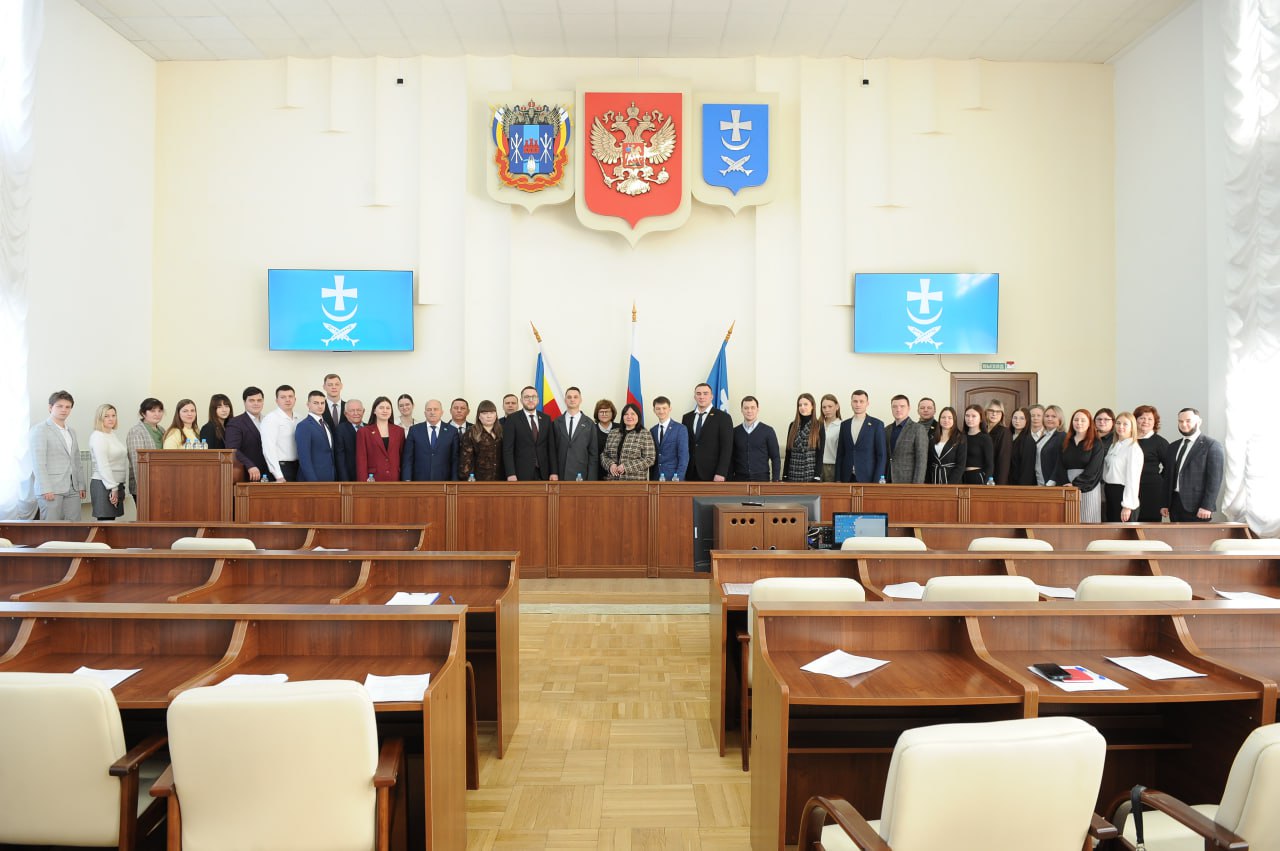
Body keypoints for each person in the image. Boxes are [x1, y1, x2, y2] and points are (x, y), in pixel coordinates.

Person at [30, 390, 85, 521]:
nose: (64, 410)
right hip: (51, 488)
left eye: (67, 407)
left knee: (75, 527)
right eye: (59, 406)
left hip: (73, 488)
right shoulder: (40, 429)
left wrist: (81, 485)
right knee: (51, 528)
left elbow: (76, 460)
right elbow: (38, 463)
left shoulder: (71, 431)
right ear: (50, 407)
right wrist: (46, 488)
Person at [1162, 407, 1224, 522]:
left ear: (1199, 422)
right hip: (1174, 505)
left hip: (1198, 507)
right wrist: (1165, 503)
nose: (1183, 424)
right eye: (1180, 421)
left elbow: (1215, 480)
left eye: (1188, 421)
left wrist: (1207, 506)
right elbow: (1168, 476)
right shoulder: (1173, 446)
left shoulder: (1211, 445)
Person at [1053, 408, 1106, 523]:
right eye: (1076, 420)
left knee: (1087, 520)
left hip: (1088, 486)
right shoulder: (1065, 442)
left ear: (1090, 423)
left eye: (1083, 420)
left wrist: (1076, 485)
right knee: (1068, 519)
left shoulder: (1096, 443)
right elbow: (1059, 466)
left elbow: (1094, 469)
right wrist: (1066, 484)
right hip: (1067, 486)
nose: (1079, 423)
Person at [682, 383, 733, 482]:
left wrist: (721, 472)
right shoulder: (687, 418)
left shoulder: (723, 417)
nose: (702, 397)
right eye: (698, 394)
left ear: (711, 396)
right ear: (695, 397)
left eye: (705, 393)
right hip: (690, 473)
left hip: (713, 474)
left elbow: (727, 448)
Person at [834, 389, 886, 483]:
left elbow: (881, 456)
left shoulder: (877, 424)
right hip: (847, 477)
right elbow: (840, 454)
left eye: (861, 401)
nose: (858, 404)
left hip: (869, 478)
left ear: (867, 403)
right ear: (851, 403)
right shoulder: (845, 425)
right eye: (855, 401)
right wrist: (838, 478)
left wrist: (877, 480)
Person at [402, 399, 459, 482]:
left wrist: (455, 481)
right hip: (419, 481)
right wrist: (407, 479)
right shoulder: (414, 430)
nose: (432, 412)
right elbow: (408, 458)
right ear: (425, 413)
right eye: (429, 410)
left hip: (444, 481)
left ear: (442, 412)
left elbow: (455, 459)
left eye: (435, 409)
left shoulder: (452, 431)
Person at [88, 403, 127, 521]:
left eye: (113, 415)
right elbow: (103, 465)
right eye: (106, 416)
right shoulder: (98, 436)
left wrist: (118, 486)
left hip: (115, 484)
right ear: (100, 418)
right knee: (105, 523)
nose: (111, 419)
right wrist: (113, 488)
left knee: (111, 522)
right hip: (104, 484)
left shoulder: (111, 434)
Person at [504, 385, 552, 481]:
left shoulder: (546, 419)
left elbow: (551, 448)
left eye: (534, 397)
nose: (530, 400)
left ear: (538, 400)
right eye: (527, 397)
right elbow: (507, 450)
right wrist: (511, 473)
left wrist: (554, 472)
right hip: (520, 473)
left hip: (544, 473)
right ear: (521, 400)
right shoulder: (512, 419)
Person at [1102, 411, 1143, 522]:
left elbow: (1133, 479)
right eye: (1118, 423)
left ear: (1132, 427)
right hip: (1111, 491)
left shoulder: (1133, 448)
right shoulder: (1114, 446)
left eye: (1125, 424)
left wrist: (1127, 505)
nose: (1121, 426)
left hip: (1123, 494)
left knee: (1124, 531)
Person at [224, 387, 270, 482]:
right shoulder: (235, 423)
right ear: (244, 402)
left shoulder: (269, 421)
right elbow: (233, 449)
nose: (256, 403)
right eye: (252, 400)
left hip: (270, 474)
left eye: (259, 400)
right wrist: (250, 465)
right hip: (249, 474)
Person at [551, 387, 597, 481]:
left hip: (581, 475)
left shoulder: (589, 423)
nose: (572, 399)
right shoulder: (556, 422)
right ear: (565, 400)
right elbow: (552, 451)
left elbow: (593, 454)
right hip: (560, 474)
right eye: (569, 397)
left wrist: (591, 479)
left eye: (575, 397)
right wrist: (553, 472)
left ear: (580, 400)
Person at [731, 396, 780, 482]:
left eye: (752, 408)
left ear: (758, 409)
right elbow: (731, 458)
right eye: (746, 408)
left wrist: (775, 479)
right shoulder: (735, 432)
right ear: (741, 410)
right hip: (739, 479)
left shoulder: (768, 431)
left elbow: (775, 457)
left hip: (762, 478)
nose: (749, 411)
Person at [1133, 404, 1169, 521]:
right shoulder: (1129, 440)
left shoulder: (1160, 442)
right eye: (1142, 418)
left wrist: (1157, 479)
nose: (1145, 421)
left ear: (1155, 422)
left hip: (1152, 489)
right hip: (1130, 488)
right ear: (1135, 420)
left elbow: (1169, 467)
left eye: (1150, 419)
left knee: (1149, 523)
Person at [602, 403, 656, 481]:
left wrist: (626, 467)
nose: (629, 416)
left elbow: (649, 459)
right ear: (622, 417)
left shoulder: (645, 434)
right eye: (626, 414)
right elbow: (604, 455)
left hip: (635, 482)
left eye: (633, 414)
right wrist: (610, 465)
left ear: (638, 416)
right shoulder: (613, 433)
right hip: (612, 480)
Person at [356, 396, 404, 482]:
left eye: (388, 408)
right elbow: (361, 460)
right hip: (372, 480)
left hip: (395, 479)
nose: (385, 411)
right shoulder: (364, 432)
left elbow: (402, 456)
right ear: (374, 411)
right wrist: (363, 483)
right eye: (381, 408)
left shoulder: (399, 431)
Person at [126, 397, 165, 498]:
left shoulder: (162, 430)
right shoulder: (136, 431)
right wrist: (144, 488)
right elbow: (137, 462)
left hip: (160, 482)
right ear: (143, 413)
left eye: (160, 411)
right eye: (152, 411)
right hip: (144, 485)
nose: (157, 414)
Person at [260, 385, 301, 482]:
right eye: (283, 397)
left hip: (298, 467)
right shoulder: (271, 419)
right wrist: (278, 475)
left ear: (295, 399)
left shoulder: (300, 418)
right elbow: (269, 448)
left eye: (290, 396)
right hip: (281, 468)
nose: (287, 400)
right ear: (277, 400)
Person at [884, 394, 927, 484]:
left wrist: (917, 486)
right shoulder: (887, 429)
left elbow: (921, 461)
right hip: (887, 480)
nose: (898, 409)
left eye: (902, 406)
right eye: (894, 406)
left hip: (908, 482)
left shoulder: (918, 429)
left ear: (909, 408)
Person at [295, 390, 337, 482]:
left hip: (330, 477)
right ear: (308, 404)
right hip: (313, 479)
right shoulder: (304, 426)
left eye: (322, 403)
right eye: (316, 403)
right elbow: (304, 458)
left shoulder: (325, 424)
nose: (320, 406)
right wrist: (313, 482)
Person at [783, 393, 824, 483]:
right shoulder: (792, 425)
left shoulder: (819, 426)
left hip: (810, 473)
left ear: (812, 406)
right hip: (793, 473)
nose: (802, 407)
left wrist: (817, 476)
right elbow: (788, 452)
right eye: (800, 405)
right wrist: (785, 474)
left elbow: (820, 454)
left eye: (805, 404)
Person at [460, 400, 503, 481]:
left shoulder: (502, 431)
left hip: (501, 479)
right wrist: (469, 477)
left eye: (492, 412)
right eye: (485, 413)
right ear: (479, 416)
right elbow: (466, 460)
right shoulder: (471, 433)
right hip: (478, 480)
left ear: (496, 415)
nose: (489, 416)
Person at [649, 396, 689, 481]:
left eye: (664, 408)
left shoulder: (680, 429)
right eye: (658, 408)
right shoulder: (653, 430)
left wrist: (678, 477)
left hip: (674, 477)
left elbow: (684, 456)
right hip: (656, 477)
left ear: (670, 409)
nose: (661, 411)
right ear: (654, 410)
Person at [926, 406, 966, 484]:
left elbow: (960, 465)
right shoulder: (931, 437)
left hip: (952, 480)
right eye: (943, 417)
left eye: (950, 418)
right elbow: (929, 462)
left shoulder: (960, 437)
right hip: (934, 479)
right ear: (939, 419)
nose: (946, 420)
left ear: (954, 420)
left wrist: (950, 484)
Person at [961, 404, 994, 485]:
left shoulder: (985, 438)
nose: (970, 419)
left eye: (974, 416)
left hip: (977, 477)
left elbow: (990, 464)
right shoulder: (961, 437)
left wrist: (986, 484)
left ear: (981, 419)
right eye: (967, 416)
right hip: (961, 477)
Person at [333, 398, 364, 482]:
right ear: (345, 414)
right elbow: (340, 458)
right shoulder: (340, 430)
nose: (356, 413)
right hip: (349, 477)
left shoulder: (370, 428)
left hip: (369, 477)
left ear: (363, 411)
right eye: (352, 411)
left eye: (359, 410)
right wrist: (345, 480)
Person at [984, 399, 1012, 485]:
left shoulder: (1004, 432)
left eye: (998, 412)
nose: (994, 414)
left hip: (995, 480)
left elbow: (1003, 462)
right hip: (981, 477)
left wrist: (1000, 486)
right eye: (991, 410)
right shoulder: (982, 430)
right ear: (985, 412)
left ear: (1002, 415)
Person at [592, 399, 619, 481]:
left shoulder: (620, 428)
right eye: (601, 412)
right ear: (597, 414)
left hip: (617, 472)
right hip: (596, 472)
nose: (604, 414)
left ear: (612, 413)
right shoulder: (591, 429)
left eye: (607, 411)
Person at [819, 394, 842, 482]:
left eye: (830, 406)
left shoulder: (842, 426)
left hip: (833, 466)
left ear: (837, 406)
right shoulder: (817, 425)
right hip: (817, 466)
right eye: (824, 407)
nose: (827, 410)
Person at [1008, 407, 1031, 486]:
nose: (1017, 421)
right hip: (1007, 481)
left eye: (1022, 418)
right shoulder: (1008, 436)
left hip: (1020, 484)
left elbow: (1027, 468)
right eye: (1015, 418)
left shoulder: (1028, 440)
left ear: (1027, 421)